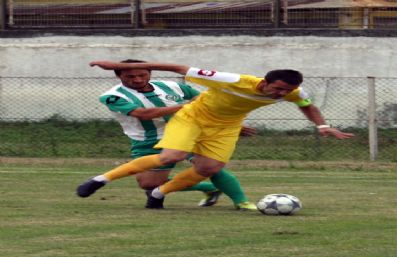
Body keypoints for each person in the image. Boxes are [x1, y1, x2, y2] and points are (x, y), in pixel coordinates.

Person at [77, 61, 354, 210]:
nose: (281, 95)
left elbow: (307, 106)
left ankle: (171, 195)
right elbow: (151, 104)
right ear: (265, 82)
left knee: (210, 167)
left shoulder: (294, 92)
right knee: (164, 164)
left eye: (286, 92)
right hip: (176, 125)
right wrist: (111, 62)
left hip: (222, 126)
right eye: (277, 90)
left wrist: (322, 126)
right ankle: (101, 180)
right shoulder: (231, 79)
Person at [78, 59, 256, 210]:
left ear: (150, 73)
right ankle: (209, 188)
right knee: (148, 184)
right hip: (147, 139)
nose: (137, 79)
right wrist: (188, 107)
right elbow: (143, 114)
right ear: (119, 76)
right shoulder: (112, 96)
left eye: (142, 75)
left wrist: (232, 125)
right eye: (130, 77)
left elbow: (206, 101)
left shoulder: (171, 86)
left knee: (209, 166)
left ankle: (242, 202)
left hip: (188, 132)